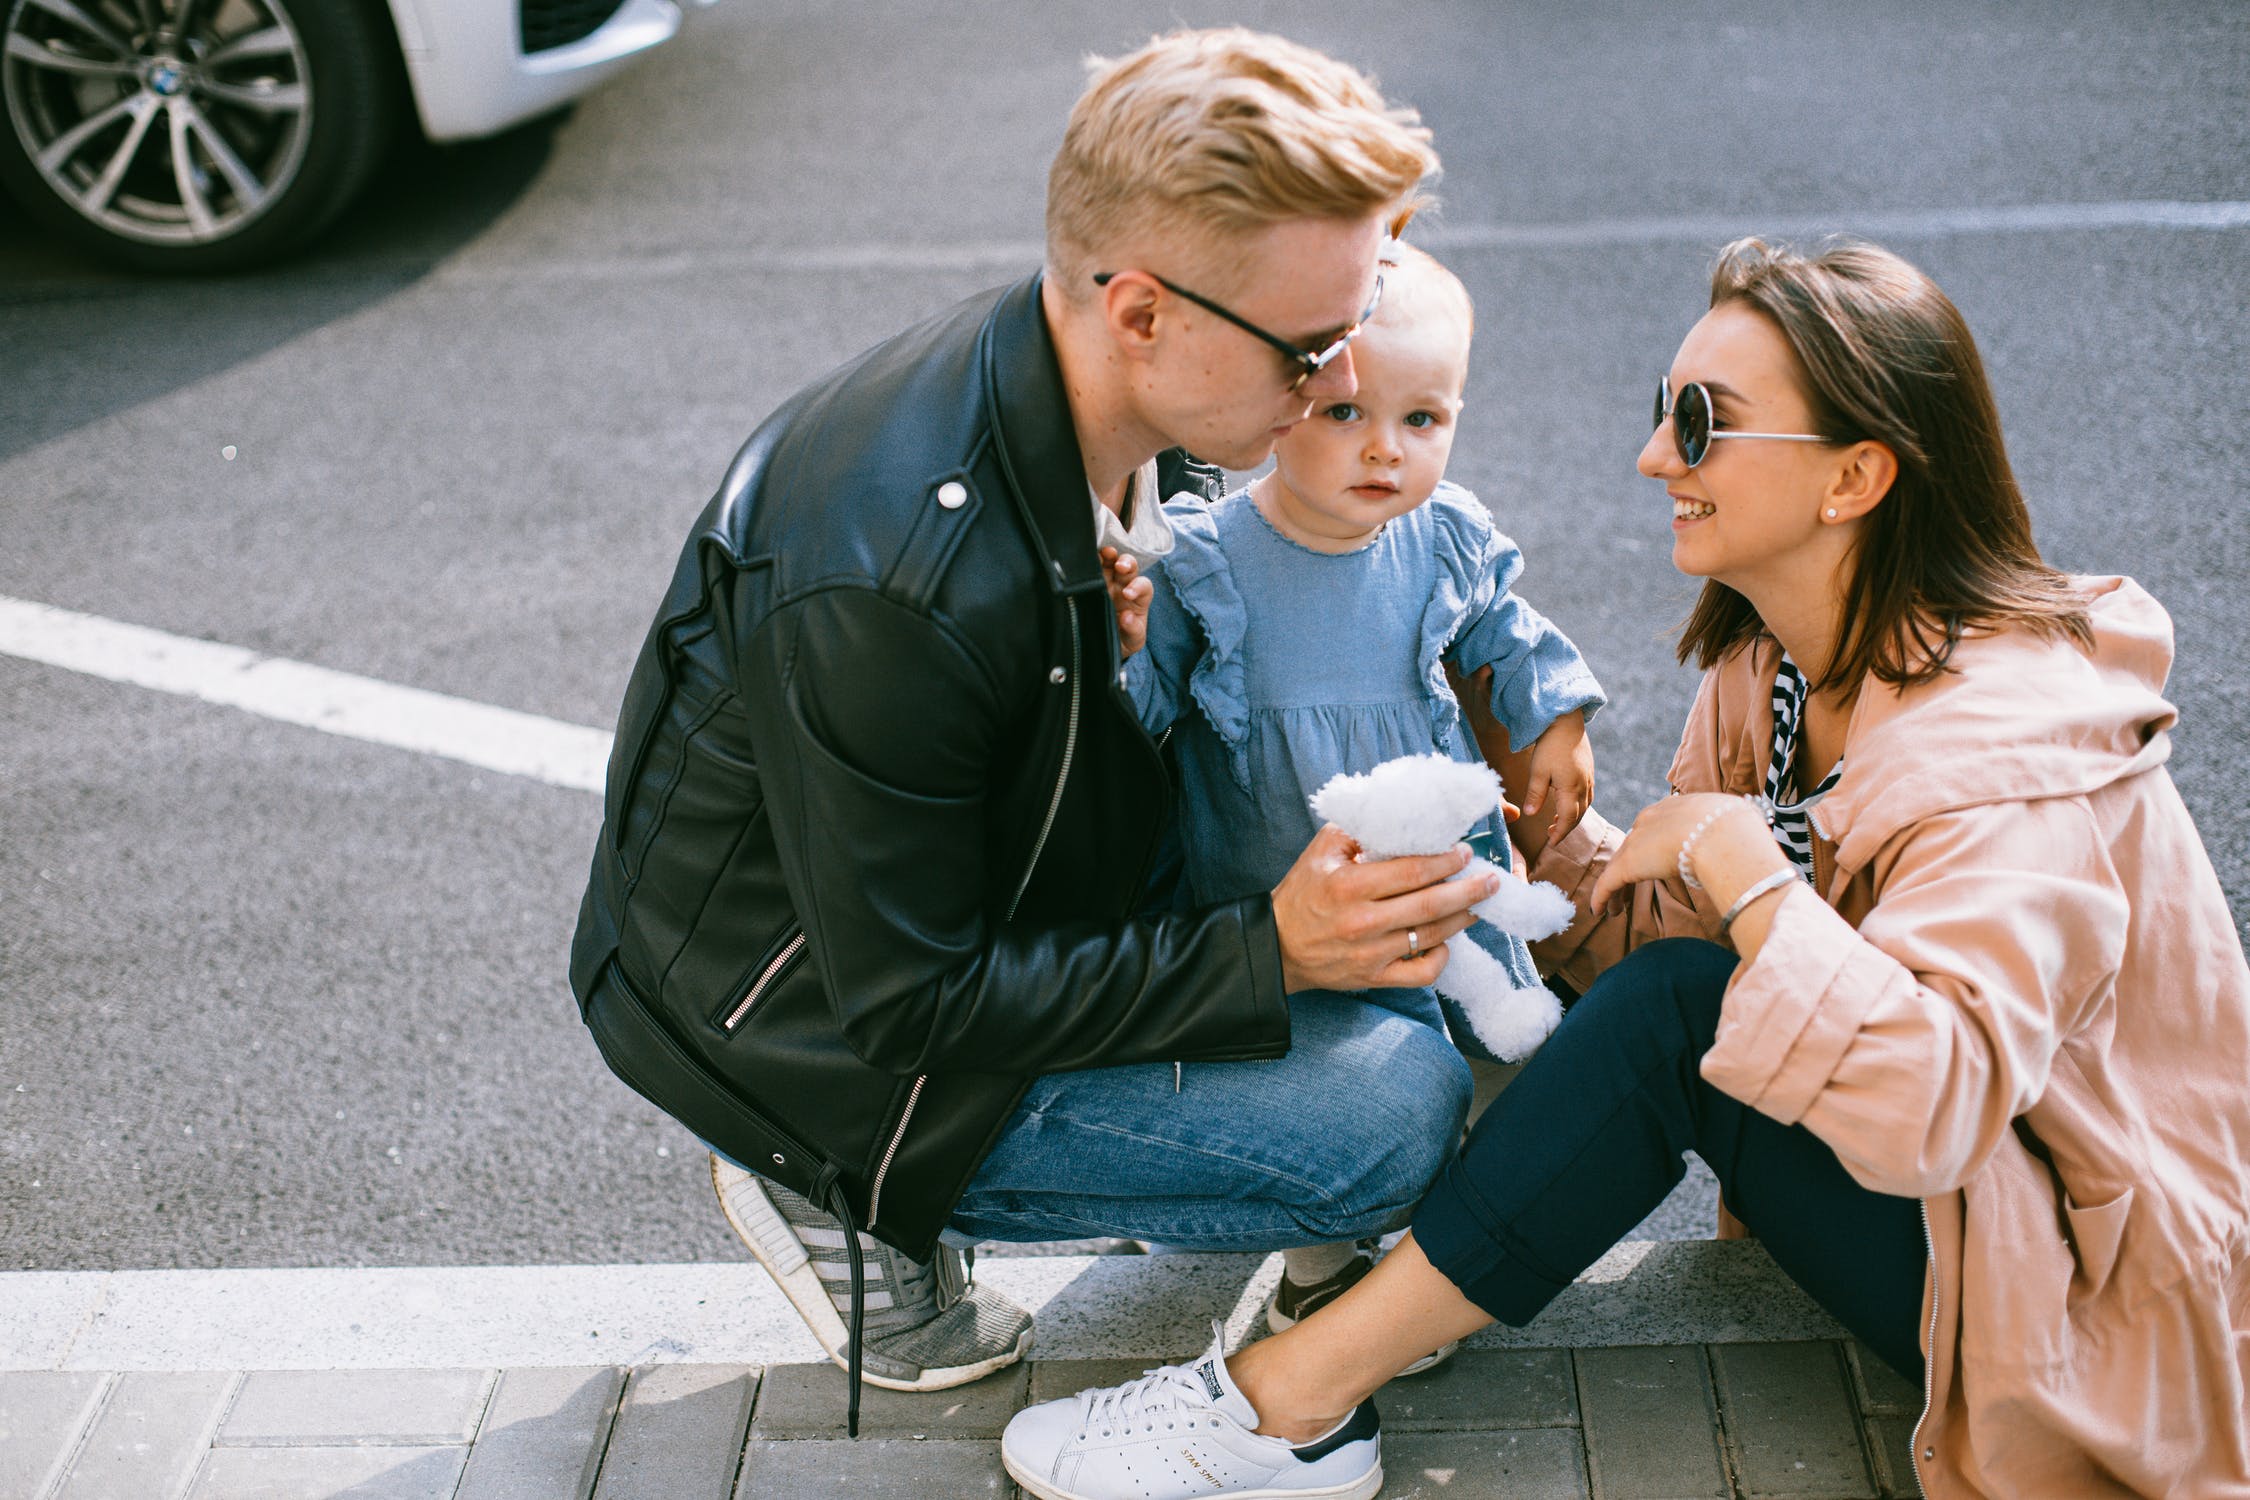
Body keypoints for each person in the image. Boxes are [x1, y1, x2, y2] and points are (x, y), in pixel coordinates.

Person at [1000, 237, 2250, 1500]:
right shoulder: (1771, 673)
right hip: (1955, 1232)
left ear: (1855, 476)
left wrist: (1737, 864)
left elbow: (1929, 1104)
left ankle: (1287, 1405)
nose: (1656, 457)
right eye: (1664, 412)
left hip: (2083, 1311)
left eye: (1703, 423)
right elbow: (1687, 949)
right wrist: (1516, 860)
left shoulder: (2011, 737)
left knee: (1666, 1022)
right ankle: (1324, 1354)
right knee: (1655, 1003)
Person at [568, 27, 1506, 1436]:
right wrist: (1269, 952)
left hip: (993, 899)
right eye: (1311, 348)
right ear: (1139, 311)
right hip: (813, 1038)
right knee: (1387, 1110)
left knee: (1419, 961)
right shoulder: (896, 582)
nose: (1337, 386)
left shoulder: (1116, 394)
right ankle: (816, 1182)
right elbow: (906, 1006)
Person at [1110, 241, 1604, 1348]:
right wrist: (1123, 638)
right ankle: (1320, 1272)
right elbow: (1138, 710)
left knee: (1478, 1041)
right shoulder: (1211, 563)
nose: (1385, 449)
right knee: (1317, 1058)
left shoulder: (1440, 537)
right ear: (1276, 405)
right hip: (1277, 882)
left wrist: (1556, 719)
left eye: (1423, 419)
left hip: (1435, 859)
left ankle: (1448, 1249)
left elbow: (1508, 636)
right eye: (1343, 414)